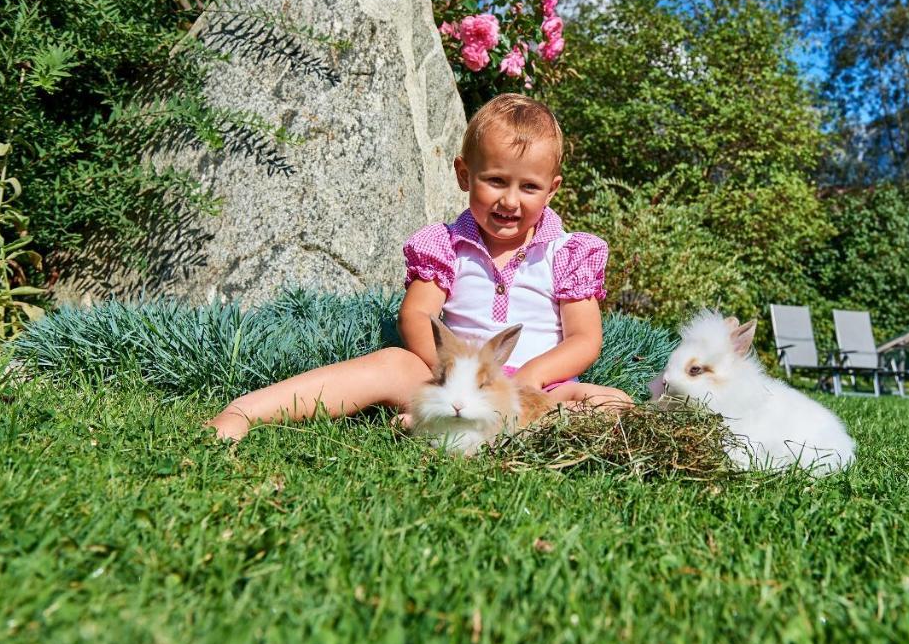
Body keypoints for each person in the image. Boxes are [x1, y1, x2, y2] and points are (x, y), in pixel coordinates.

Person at [207, 93, 632, 441]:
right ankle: (246, 412)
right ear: (465, 175)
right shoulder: (446, 245)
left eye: (530, 187)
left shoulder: (567, 252)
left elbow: (584, 338)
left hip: (539, 389)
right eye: (496, 181)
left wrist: (533, 377)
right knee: (392, 363)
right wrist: (450, 376)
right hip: (451, 379)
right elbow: (416, 314)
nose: (510, 200)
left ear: (552, 190)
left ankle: (456, 428)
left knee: (611, 404)